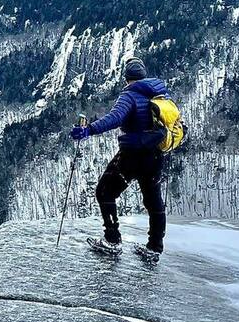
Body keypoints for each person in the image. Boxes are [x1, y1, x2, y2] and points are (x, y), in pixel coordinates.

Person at [69, 57, 167, 262]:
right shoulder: (160, 94)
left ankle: (112, 240)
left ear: (126, 78)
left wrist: (89, 130)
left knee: (105, 191)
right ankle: (155, 247)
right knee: (153, 201)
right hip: (155, 154)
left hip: (132, 155)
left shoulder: (130, 95)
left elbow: (115, 118)